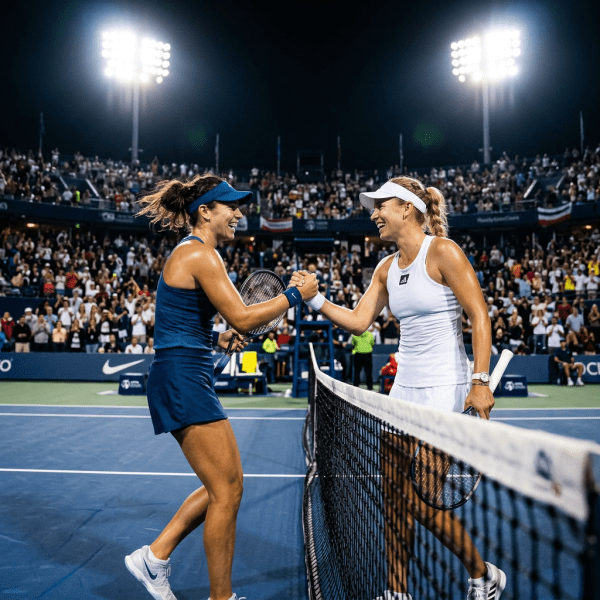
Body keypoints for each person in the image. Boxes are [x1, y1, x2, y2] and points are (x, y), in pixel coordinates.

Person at [291, 176, 503, 600]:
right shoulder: (386, 268)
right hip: (403, 392)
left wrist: (479, 381)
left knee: (423, 501)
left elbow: (480, 315)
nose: (374, 213)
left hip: (445, 388)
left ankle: (483, 574)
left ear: (407, 207)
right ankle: (396, 591)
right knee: (394, 500)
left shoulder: (443, 252)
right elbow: (357, 321)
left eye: (381, 205)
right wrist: (314, 299)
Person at [126, 174, 317, 600]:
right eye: (230, 206)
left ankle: (154, 558)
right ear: (205, 211)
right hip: (182, 378)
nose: (238, 213)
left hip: (186, 372)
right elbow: (244, 318)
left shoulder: (196, 253)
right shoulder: (201, 255)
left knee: (224, 485)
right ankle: (220, 597)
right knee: (227, 489)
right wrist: (295, 294)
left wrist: (216, 338)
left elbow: (184, 321)